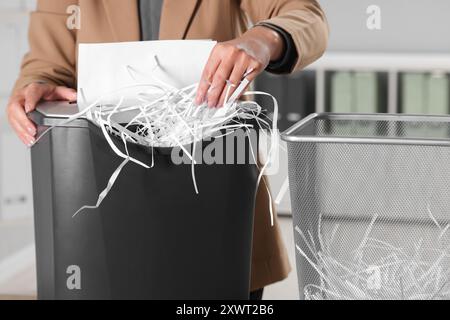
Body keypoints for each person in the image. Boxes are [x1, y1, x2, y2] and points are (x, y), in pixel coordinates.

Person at [7, 0, 328, 299]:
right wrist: (34, 86)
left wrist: (263, 39)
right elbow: (47, 63)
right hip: (103, 210)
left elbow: (305, 17)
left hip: (218, 205)